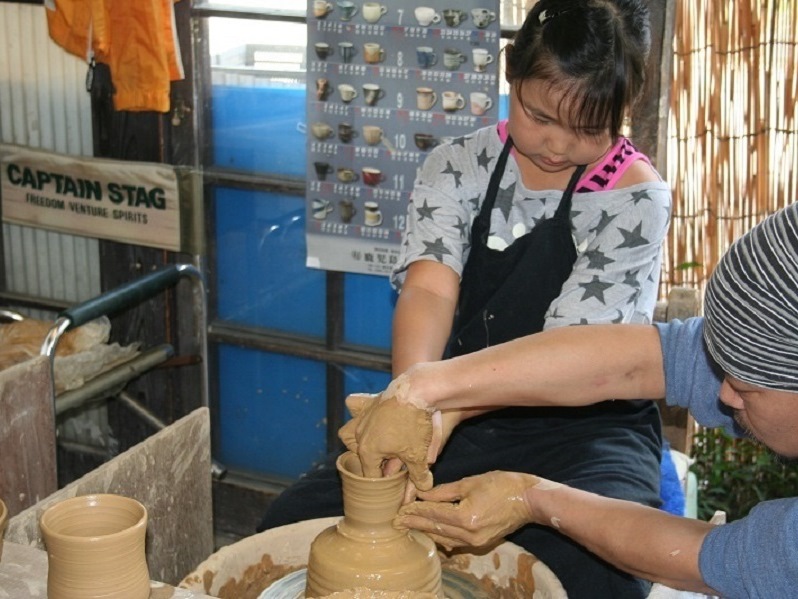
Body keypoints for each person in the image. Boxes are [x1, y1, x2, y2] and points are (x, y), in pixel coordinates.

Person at [261, 2, 671, 596]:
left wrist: (441, 405)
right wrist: (411, 408)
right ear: (511, 72)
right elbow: (429, 288)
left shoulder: (634, 201)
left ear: (622, 112)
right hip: (460, 411)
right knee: (290, 531)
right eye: (538, 116)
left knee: (599, 580)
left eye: (587, 129)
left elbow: (571, 356)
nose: (556, 145)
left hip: (585, 431)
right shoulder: (457, 165)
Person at [339, 202, 798, 598]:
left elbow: (721, 562)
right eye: (725, 369)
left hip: (594, 431)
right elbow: (644, 359)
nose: (723, 392)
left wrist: (531, 498)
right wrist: (426, 389)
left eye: (747, 387)